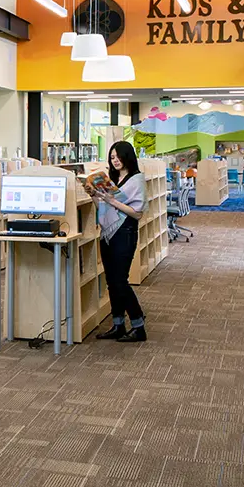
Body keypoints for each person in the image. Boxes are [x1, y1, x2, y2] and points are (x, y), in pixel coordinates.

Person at [91, 140, 147, 342]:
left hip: (125, 232)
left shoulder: (136, 180)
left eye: (118, 156)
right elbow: (104, 209)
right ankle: (118, 324)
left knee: (120, 281)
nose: (115, 161)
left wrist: (112, 201)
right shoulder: (112, 179)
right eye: (112, 157)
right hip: (107, 232)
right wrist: (95, 197)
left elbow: (137, 213)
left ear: (127, 156)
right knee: (111, 282)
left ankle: (139, 324)